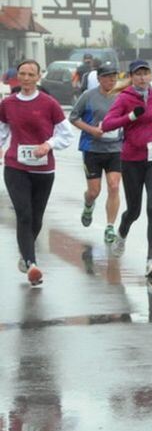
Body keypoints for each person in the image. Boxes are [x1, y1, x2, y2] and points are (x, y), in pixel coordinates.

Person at [0, 59, 75, 286]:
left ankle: (26, 252)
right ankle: (32, 264)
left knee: (36, 217)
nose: (25, 78)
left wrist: (49, 145)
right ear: (18, 76)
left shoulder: (49, 104)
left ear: (38, 77)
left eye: (30, 74)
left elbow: (66, 135)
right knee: (23, 214)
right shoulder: (8, 103)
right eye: (22, 74)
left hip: (43, 169)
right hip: (15, 166)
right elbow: (2, 129)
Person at [102, 60, 152, 281]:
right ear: (131, 77)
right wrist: (131, 116)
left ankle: (151, 261)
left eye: (146, 73)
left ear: (151, 76)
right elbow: (107, 125)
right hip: (132, 159)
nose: (142, 78)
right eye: (138, 74)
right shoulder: (124, 99)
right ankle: (121, 234)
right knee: (134, 211)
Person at [70, 63, 123, 244]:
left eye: (114, 76)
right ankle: (88, 205)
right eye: (107, 76)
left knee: (114, 186)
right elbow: (73, 117)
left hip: (116, 148)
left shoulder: (122, 96)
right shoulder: (88, 96)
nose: (111, 80)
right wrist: (91, 130)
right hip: (92, 149)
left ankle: (110, 226)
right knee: (94, 191)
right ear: (99, 79)